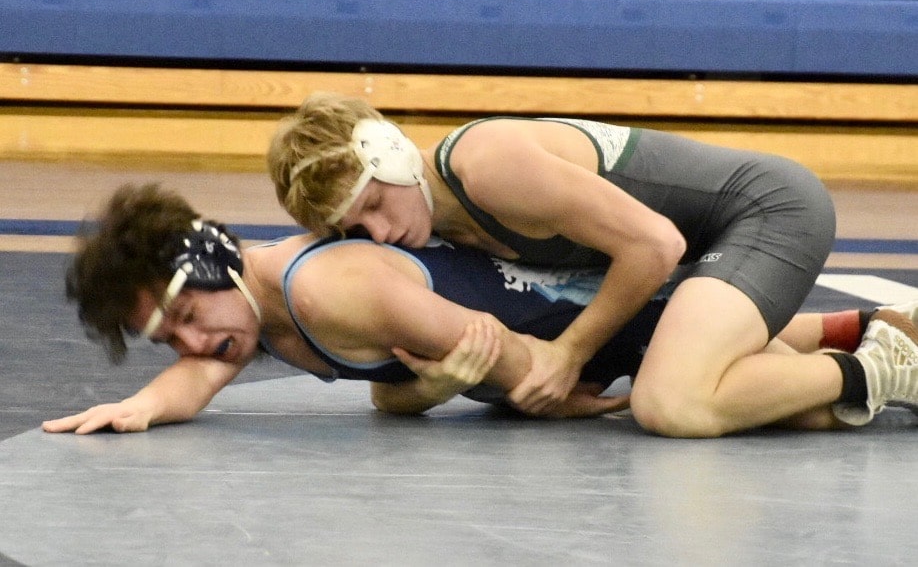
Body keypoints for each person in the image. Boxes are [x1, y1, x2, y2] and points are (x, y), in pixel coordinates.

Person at [43, 184, 918, 436]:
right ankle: (865, 333)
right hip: (619, 318)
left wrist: (566, 401)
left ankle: (880, 361)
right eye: (167, 339)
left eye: (183, 315)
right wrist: (141, 408)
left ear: (213, 261)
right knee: (721, 367)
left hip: (608, 322)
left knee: (693, 400)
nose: (194, 344)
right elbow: (204, 371)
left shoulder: (329, 288)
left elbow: (513, 365)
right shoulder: (251, 304)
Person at [266, 92, 906, 436]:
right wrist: (447, 383)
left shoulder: (486, 166)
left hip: (768, 212)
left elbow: (655, 246)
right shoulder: (433, 233)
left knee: (673, 403)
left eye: (375, 204)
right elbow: (395, 386)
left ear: (393, 153)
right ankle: (885, 333)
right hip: (703, 259)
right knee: (768, 405)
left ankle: (890, 366)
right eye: (356, 230)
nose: (380, 234)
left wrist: (567, 356)